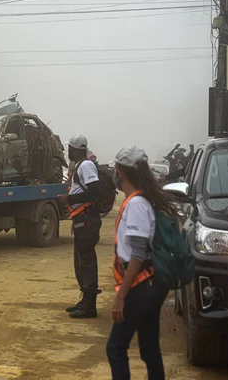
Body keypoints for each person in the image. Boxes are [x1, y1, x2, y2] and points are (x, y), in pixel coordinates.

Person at [106, 146, 174, 379]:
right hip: (150, 285)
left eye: (115, 170)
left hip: (140, 285)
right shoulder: (141, 201)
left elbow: (137, 254)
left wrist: (121, 297)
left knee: (115, 348)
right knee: (149, 349)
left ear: (121, 173)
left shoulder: (135, 204)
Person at [57, 135, 102, 319]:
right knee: (81, 261)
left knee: (87, 262)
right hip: (81, 219)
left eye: (69, 149)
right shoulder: (80, 166)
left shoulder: (86, 166)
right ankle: (85, 301)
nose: (68, 152)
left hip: (87, 218)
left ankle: (90, 306)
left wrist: (70, 199)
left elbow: (95, 191)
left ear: (75, 149)